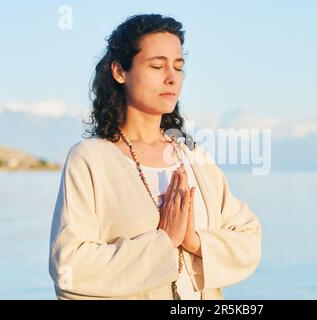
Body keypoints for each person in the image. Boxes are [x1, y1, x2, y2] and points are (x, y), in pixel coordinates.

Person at [48, 14, 262, 300]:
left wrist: (196, 242)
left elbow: (249, 237)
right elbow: (69, 266)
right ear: (119, 72)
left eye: (178, 66)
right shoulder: (91, 159)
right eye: (157, 65)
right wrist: (164, 242)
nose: (171, 77)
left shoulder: (193, 156)